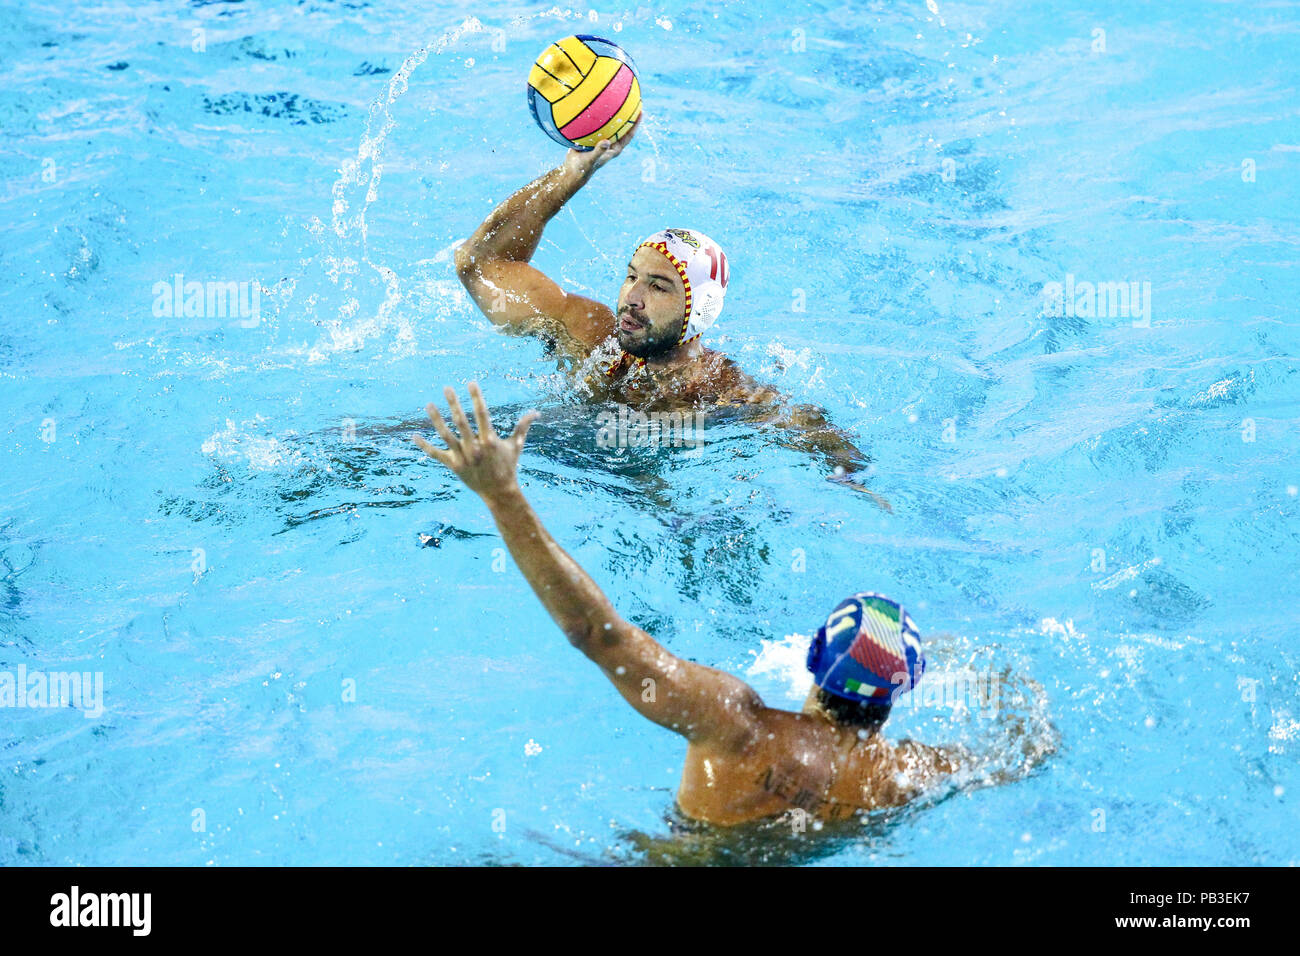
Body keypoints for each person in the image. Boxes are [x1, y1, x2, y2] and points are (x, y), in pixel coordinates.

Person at [413, 384, 986, 825]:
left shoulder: (736, 725)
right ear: (901, 691)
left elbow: (596, 633)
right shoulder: (909, 775)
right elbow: (1027, 744)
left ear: (814, 656)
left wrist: (503, 495)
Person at [451, 120, 887, 505]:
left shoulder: (726, 393)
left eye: (658, 286)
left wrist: (851, 478)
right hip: (543, 454)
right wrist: (570, 177)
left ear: (701, 310)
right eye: (631, 276)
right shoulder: (587, 334)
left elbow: (824, 440)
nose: (631, 298)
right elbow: (478, 264)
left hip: (644, 497)